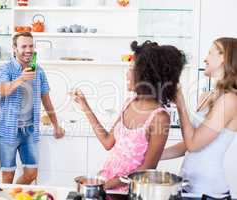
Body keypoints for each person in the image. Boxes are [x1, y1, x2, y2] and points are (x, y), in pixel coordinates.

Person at [72, 41, 185, 192]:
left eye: (131, 68)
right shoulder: (129, 103)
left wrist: (108, 185)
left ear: (146, 75)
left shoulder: (159, 117)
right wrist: (85, 106)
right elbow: (107, 142)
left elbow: (147, 168)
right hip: (106, 182)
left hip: (129, 191)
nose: (127, 73)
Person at [161, 37, 237, 199]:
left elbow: (193, 144)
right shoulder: (206, 96)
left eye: (210, 53)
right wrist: (153, 155)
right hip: (188, 187)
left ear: (224, 58)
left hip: (208, 193)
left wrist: (181, 104)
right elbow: (187, 145)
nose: (205, 58)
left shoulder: (230, 100)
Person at [0, 32, 65, 184]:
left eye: (31, 46)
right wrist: (21, 78)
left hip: (30, 130)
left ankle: (13, 196)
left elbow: (47, 101)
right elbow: (2, 90)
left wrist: (56, 126)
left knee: (31, 174)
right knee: (7, 177)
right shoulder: (5, 69)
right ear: (14, 48)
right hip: (8, 130)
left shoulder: (39, 71)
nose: (28, 50)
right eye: (24, 46)